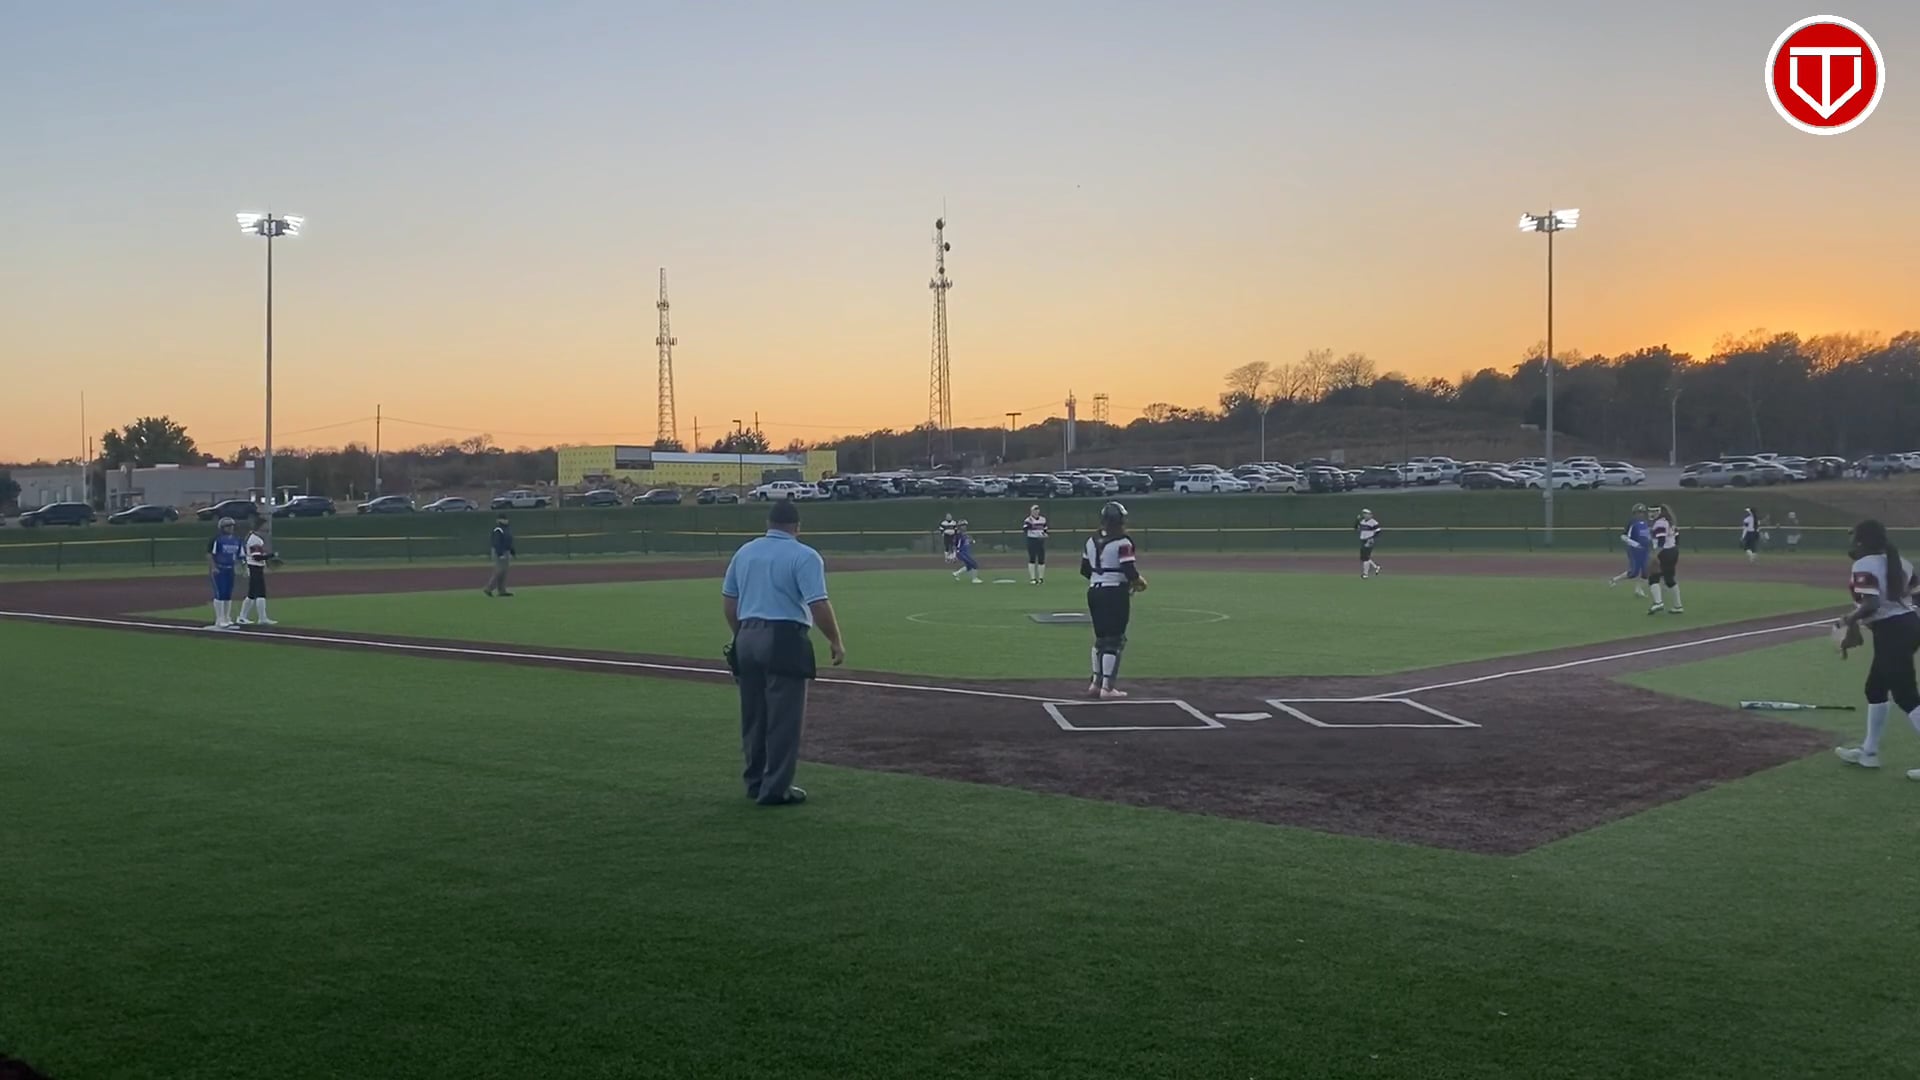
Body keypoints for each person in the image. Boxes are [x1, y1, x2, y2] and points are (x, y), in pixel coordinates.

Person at [721, 499, 846, 806]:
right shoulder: (804, 555)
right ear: (797, 527)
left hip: (746, 634)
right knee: (784, 718)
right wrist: (835, 640)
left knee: (753, 716)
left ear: (768, 524)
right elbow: (818, 603)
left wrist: (741, 634)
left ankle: (754, 782)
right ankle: (776, 788)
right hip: (783, 637)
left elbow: (729, 600)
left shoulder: (745, 551)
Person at [1833, 519, 1920, 780]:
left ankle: (1869, 752)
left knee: (1906, 696)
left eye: (1854, 538)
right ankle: (1869, 753)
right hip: (1906, 627)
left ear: (1862, 541)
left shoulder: (1864, 564)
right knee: (1875, 689)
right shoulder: (1901, 562)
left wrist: (1849, 620)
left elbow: (1871, 604)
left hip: (1892, 631)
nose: (1852, 543)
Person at [1081, 501, 1147, 699]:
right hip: (1114, 592)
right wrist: (1139, 582)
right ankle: (1108, 687)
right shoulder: (1123, 542)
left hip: (1094, 591)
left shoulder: (1090, 540)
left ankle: (1095, 683)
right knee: (1114, 640)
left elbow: (1085, 570)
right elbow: (1129, 570)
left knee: (1101, 639)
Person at [234, 522, 278, 627]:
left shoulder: (254, 538)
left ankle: (242, 617)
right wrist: (271, 556)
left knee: (252, 594)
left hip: (254, 567)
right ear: (259, 527)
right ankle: (262, 618)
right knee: (260, 593)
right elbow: (256, 557)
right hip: (255, 568)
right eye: (264, 527)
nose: (266, 529)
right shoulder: (255, 539)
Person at [205, 517, 244, 629]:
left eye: (232, 526)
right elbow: (210, 554)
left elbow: (240, 556)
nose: (230, 528)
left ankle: (227, 618)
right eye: (228, 526)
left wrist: (242, 567)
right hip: (219, 568)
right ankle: (219, 619)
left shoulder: (237, 540)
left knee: (228, 593)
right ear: (222, 528)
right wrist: (213, 567)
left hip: (230, 569)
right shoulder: (217, 539)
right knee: (220, 593)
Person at [1646, 505, 1683, 615]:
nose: (1651, 514)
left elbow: (1661, 541)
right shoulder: (1669, 522)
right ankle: (1678, 605)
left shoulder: (1660, 523)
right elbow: (1677, 538)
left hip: (1664, 552)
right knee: (1669, 578)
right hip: (1673, 550)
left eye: (1653, 511)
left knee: (1653, 578)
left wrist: (1655, 554)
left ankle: (1658, 602)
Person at [1610, 503, 1651, 597]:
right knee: (1634, 572)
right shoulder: (1632, 522)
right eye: (1638, 512)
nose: (1640, 514)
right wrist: (1635, 544)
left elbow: (1647, 535)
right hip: (1634, 550)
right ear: (1634, 513)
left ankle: (1639, 589)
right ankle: (1614, 580)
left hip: (1645, 550)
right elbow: (1623, 536)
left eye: (1642, 512)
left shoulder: (1646, 522)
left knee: (1646, 571)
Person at [484, 515, 516, 597]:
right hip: (499, 551)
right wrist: (500, 553)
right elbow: (496, 542)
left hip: (506, 551)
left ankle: (502, 590)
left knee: (504, 572)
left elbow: (509, 541)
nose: (505, 520)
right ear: (499, 520)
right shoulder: (498, 529)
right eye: (503, 519)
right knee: (499, 571)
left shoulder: (507, 529)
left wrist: (512, 551)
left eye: (506, 519)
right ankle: (489, 588)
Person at [1022, 504, 1050, 585]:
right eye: (1034, 510)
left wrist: (1044, 534)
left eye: (1037, 510)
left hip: (1040, 540)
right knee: (1032, 558)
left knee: (1041, 559)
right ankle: (1033, 578)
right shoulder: (1028, 520)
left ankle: (1041, 578)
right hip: (1032, 540)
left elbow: (1045, 529)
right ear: (1031, 511)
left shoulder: (1043, 519)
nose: (1036, 512)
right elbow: (1025, 529)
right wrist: (1031, 526)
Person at [1356, 509, 1383, 579]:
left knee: (1365, 558)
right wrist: (1357, 520)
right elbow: (1356, 528)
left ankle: (1365, 574)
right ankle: (1376, 567)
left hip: (1369, 540)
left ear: (1370, 515)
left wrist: (1371, 539)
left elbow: (1378, 532)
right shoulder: (1362, 521)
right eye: (1364, 514)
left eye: (1366, 514)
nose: (1365, 515)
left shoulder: (1374, 522)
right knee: (1364, 557)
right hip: (1363, 540)